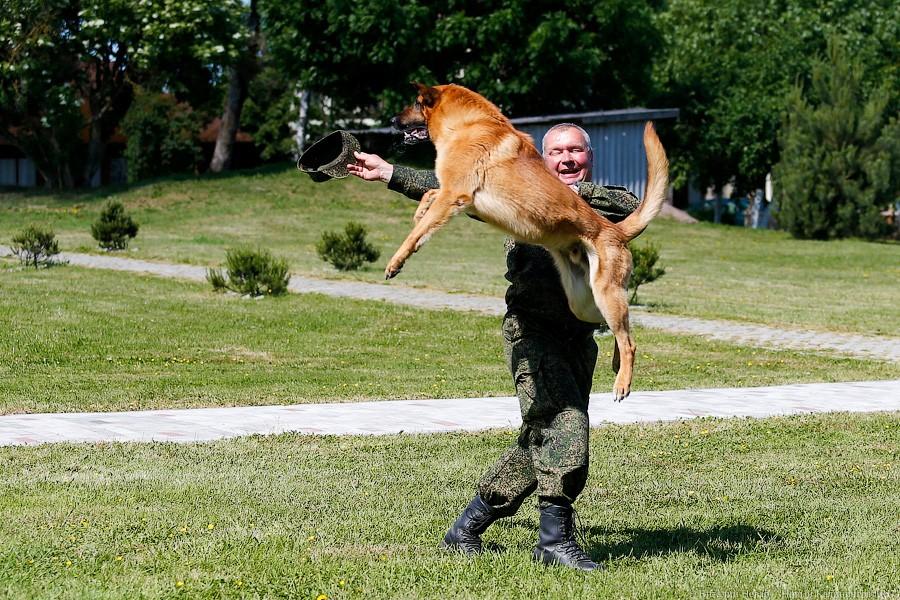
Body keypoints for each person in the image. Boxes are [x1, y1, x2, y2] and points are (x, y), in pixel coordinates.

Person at [348, 123, 639, 571]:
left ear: (589, 157)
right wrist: (389, 173)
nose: (565, 159)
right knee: (566, 425)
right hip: (531, 331)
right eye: (556, 152)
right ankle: (554, 542)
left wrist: (569, 193)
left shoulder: (601, 201)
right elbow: (451, 187)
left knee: (539, 439)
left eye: (574, 152)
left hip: (578, 338)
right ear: (540, 160)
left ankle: (468, 525)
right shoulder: (515, 196)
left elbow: (629, 204)